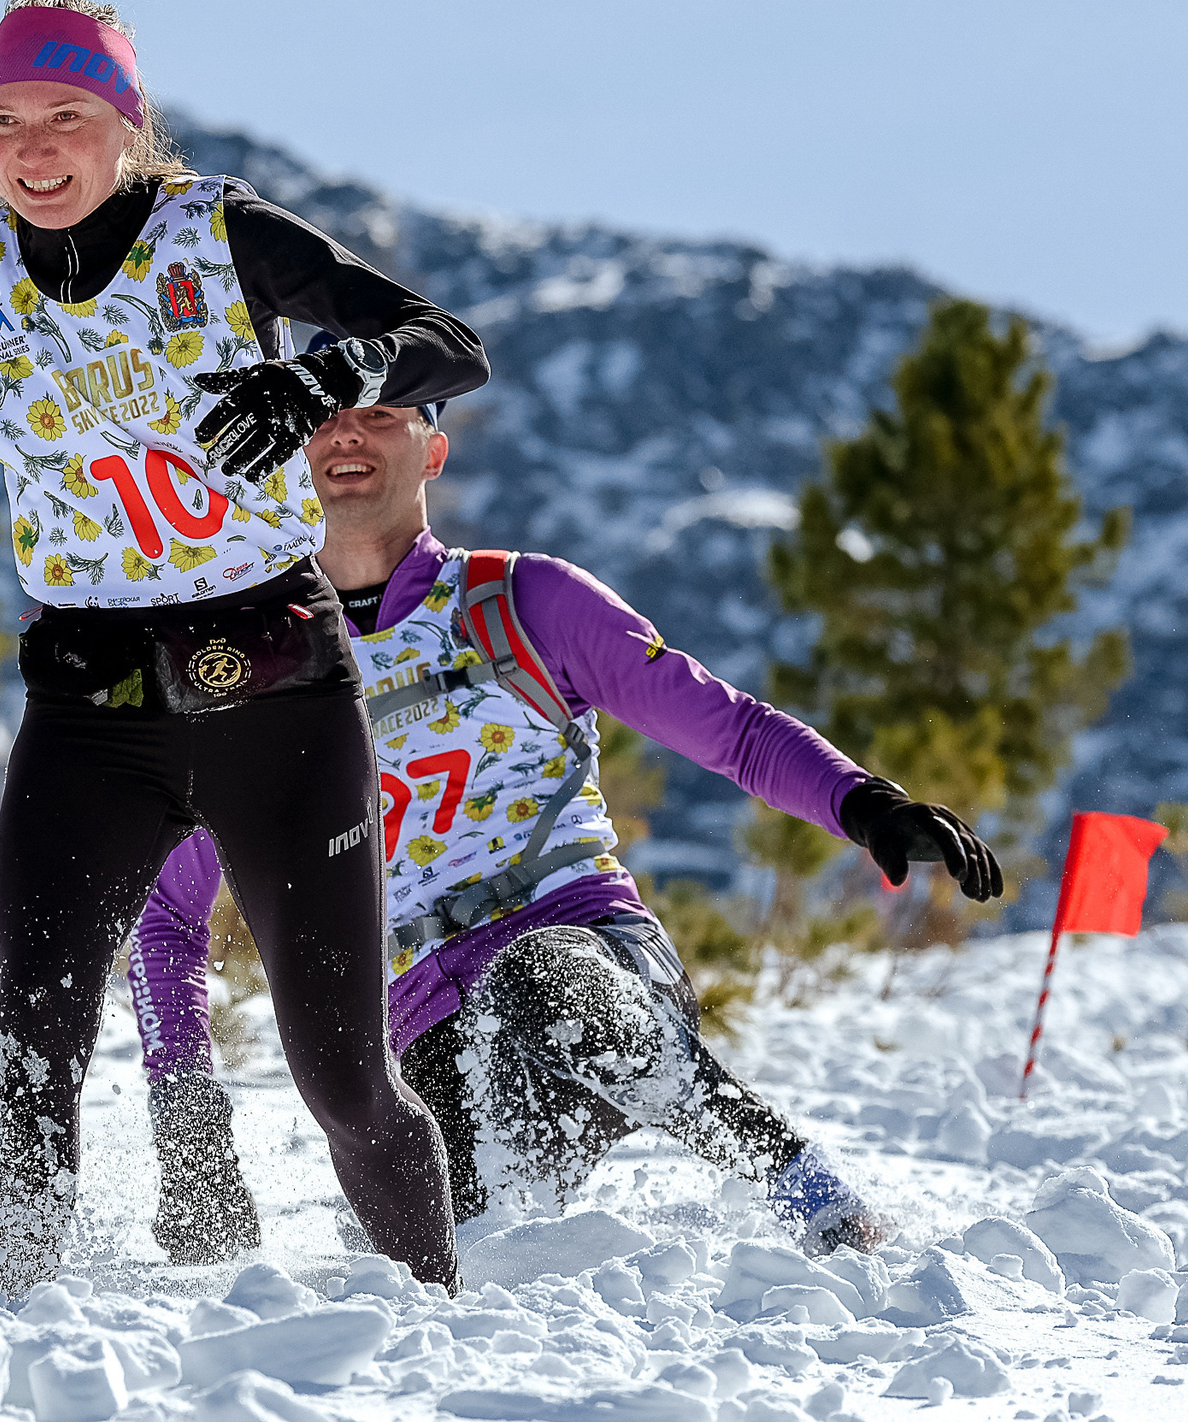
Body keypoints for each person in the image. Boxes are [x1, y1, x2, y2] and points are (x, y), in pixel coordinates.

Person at [0, 0, 487, 1294]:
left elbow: (445, 346)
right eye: (3, 120)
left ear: (125, 123)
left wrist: (322, 373)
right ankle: (4, 1331)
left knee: (344, 1076)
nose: (33, 146)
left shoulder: (219, 234)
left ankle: (436, 1314)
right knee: (34, 1037)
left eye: (66, 113)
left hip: (280, 696)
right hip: (88, 714)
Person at [126, 362, 1004, 1260]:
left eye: (382, 413)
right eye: (325, 415)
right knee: (441, 1253)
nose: (347, 433)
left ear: (433, 452)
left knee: (537, 981)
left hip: (597, 962)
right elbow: (164, 917)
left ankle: (804, 1189)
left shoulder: (525, 601)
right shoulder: (245, 673)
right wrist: (190, 1130)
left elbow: (730, 730)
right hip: (425, 1034)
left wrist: (867, 806)